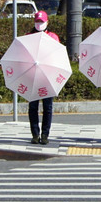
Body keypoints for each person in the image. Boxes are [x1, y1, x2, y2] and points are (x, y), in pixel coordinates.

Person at [28, 10, 60, 145]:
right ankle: (35, 134)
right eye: (37, 21)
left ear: (47, 22)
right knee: (33, 107)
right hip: (33, 76)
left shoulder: (53, 37)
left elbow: (58, 55)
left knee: (48, 107)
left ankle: (45, 134)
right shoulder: (28, 37)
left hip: (48, 76)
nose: (39, 24)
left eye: (41, 22)